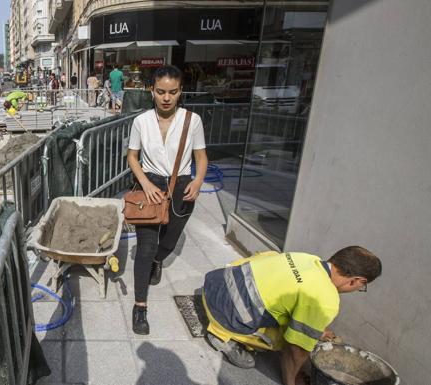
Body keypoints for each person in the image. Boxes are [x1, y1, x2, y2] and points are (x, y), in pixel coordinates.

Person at [202, 246, 382, 385]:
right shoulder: (326, 298)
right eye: (362, 287)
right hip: (223, 312)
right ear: (358, 280)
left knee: (270, 256)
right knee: (284, 340)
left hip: (214, 284)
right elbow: (297, 349)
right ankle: (224, 337)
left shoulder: (308, 259)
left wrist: (317, 327)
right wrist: (292, 381)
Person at [127, 65, 208, 335]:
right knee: (145, 246)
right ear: (152, 90)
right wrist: (147, 183)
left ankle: (158, 260)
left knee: (168, 243)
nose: (166, 98)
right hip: (148, 185)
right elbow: (132, 157)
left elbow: (201, 158)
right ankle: (140, 307)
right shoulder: (141, 121)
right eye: (161, 91)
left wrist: (197, 181)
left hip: (182, 185)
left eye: (172, 92)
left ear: (180, 92)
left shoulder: (192, 120)